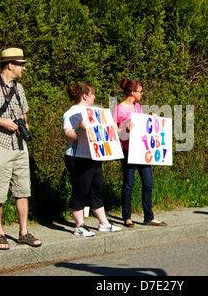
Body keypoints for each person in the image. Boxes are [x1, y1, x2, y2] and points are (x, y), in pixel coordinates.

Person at [0, 48, 41, 250]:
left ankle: (23, 232)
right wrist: (0, 122)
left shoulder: (19, 88)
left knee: (23, 190)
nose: (24, 68)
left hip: (20, 145)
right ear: (9, 64)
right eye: (21, 64)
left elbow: (24, 112)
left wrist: (25, 124)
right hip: (0, 143)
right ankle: (0, 233)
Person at [63, 82, 122, 237]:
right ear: (85, 96)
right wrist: (81, 128)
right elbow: (68, 136)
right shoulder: (72, 112)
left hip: (94, 156)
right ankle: (79, 226)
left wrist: (117, 127)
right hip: (78, 157)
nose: (95, 96)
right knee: (80, 190)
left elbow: (109, 130)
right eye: (93, 94)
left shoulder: (97, 111)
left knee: (96, 188)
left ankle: (104, 224)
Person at [112, 78, 167, 227]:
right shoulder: (119, 109)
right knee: (128, 184)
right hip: (128, 150)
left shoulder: (137, 107)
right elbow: (113, 131)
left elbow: (142, 125)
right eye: (140, 91)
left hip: (141, 151)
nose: (142, 94)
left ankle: (149, 217)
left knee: (148, 183)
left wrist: (152, 121)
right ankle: (127, 217)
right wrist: (125, 129)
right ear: (131, 92)